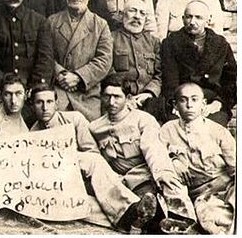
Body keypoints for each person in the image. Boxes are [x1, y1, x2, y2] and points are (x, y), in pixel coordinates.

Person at [29, 83, 160, 234]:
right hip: (61, 181)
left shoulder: (74, 120)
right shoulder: (31, 134)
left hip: (84, 174)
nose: (45, 107)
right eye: (39, 102)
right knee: (75, 203)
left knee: (92, 163)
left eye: (49, 102)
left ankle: (130, 214)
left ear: (57, 103)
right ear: (32, 105)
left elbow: (93, 152)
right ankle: (131, 219)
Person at [89, 75, 197, 234]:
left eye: (117, 97)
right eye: (107, 96)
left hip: (143, 176)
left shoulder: (143, 120)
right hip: (116, 181)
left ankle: (180, 220)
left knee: (161, 191)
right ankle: (137, 220)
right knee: (97, 200)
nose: (111, 102)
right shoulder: (94, 127)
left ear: (128, 98)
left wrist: (162, 174)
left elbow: (153, 149)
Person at [159, 83, 235, 234]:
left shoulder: (218, 132)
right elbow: (158, 157)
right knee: (207, 217)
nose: (189, 105)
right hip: (198, 195)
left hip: (223, 189)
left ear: (203, 104)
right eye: (183, 100)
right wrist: (173, 160)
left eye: (194, 100)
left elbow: (236, 167)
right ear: (175, 104)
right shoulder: (167, 130)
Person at [47, 0, 112, 121]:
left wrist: (78, 77)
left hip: (87, 95)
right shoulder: (52, 22)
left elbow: (104, 60)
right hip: (58, 91)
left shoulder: (100, 25)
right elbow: (45, 55)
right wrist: (61, 75)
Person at [161, 0, 236, 127]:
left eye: (198, 18)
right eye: (189, 17)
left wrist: (219, 102)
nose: (192, 22)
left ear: (208, 20)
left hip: (211, 103)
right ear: (183, 18)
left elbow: (232, 80)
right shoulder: (171, 43)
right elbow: (170, 80)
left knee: (212, 128)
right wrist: (178, 105)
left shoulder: (220, 44)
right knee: (176, 128)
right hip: (181, 102)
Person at [111, 0, 163, 121]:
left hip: (148, 101)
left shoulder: (153, 42)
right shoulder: (110, 38)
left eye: (142, 13)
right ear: (122, 15)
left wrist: (149, 93)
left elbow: (160, 74)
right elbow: (108, 72)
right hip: (119, 101)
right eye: (132, 11)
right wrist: (123, 97)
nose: (137, 16)